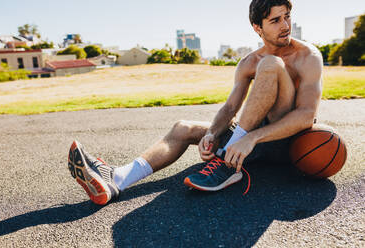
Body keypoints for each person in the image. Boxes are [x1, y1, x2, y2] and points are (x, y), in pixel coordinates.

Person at [67, 0, 323, 205]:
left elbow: (306, 116)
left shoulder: (307, 56)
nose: (285, 25)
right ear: (258, 27)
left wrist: (251, 138)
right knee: (183, 128)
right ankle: (117, 179)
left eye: (287, 16)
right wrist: (213, 133)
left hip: (284, 141)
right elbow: (230, 108)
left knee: (272, 64)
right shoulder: (248, 62)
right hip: (247, 140)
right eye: (275, 20)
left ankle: (226, 165)